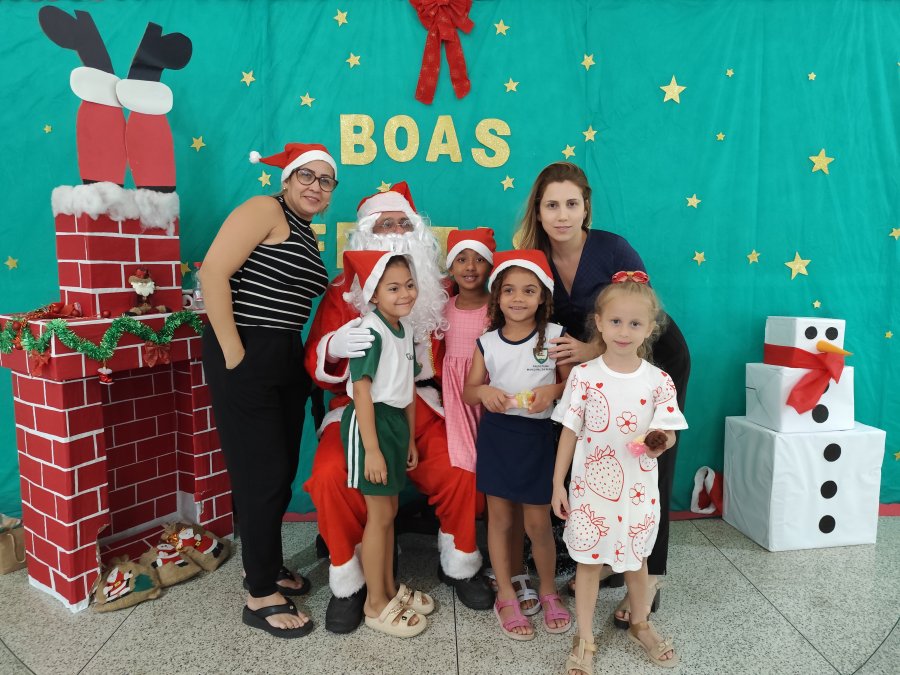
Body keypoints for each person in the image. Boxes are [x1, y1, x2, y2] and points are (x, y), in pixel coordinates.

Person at [303, 182, 493, 634]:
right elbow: (316, 365)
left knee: (461, 466)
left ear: (418, 232)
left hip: (422, 403)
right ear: (365, 233)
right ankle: (351, 583)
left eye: (402, 222)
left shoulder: (442, 288)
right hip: (360, 409)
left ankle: (460, 563)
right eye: (383, 223)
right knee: (330, 476)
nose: (393, 231)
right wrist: (334, 346)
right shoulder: (342, 291)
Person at [516, 162, 691, 623]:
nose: (562, 215)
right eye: (552, 205)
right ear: (538, 209)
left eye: (571, 204)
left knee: (649, 459)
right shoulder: (534, 256)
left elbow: (640, 318)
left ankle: (650, 577)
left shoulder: (613, 248)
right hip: (596, 369)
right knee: (602, 457)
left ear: (586, 207)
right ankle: (607, 557)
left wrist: (591, 349)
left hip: (652, 356)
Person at [201, 142, 339, 637]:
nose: (316, 186)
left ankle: (266, 562)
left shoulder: (304, 231)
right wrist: (234, 355)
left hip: (283, 354)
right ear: (287, 178)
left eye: (326, 180)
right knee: (260, 475)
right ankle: (259, 592)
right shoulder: (265, 208)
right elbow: (212, 273)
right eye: (307, 175)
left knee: (278, 473)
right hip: (246, 348)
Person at [552, 272, 686, 672]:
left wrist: (659, 442)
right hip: (591, 493)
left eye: (634, 323)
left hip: (637, 493)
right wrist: (557, 483)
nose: (624, 332)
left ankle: (640, 623)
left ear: (650, 328)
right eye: (615, 321)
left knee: (636, 561)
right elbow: (569, 431)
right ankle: (585, 637)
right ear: (598, 322)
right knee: (589, 563)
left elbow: (668, 432)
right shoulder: (584, 376)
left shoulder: (658, 381)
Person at [463, 250, 573, 641]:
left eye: (529, 290)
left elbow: (572, 384)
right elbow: (469, 391)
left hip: (536, 439)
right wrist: (485, 392)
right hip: (497, 436)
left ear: (543, 296)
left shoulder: (556, 336)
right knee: (499, 520)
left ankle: (548, 590)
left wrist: (552, 392)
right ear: (497, 295)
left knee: (538, 523)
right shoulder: (486, 343)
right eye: (509, 290)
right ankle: (506, 594)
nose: (518, 298)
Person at [339, 250, 434, 638]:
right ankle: (374, 603)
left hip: (394, 424)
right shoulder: (370, 330)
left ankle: (389, 588)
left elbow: (407, 388)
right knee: (378, 516)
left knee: (389, 512)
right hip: (370, 424)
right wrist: (373, 449)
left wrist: (408, 437)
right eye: (393, 288)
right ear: (373, 294)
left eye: (409, 285)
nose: (405, 293)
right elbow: (362, 390)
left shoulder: (405, 328)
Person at [442, 228, 496, 473]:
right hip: (455, 389)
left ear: (490, 266)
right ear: (451, 268)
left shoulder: (498, 308)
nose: (470, 267)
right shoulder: (443, 307)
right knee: (464, 457)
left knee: (490, 450)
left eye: (480, 259)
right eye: (462, 259)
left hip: (489, 383)